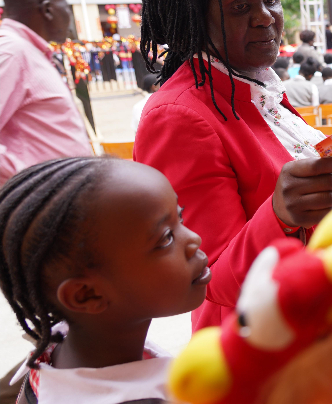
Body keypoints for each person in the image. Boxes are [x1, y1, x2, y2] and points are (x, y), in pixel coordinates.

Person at [134, 0, 332, 332]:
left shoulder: (254, 84)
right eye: (240, 7)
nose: (266, 18)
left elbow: (299, 165)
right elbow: (209, 276)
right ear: (191, 16)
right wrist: (280, 214)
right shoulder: (179, 115)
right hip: (261, 353)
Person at [0, 157, 211, 403]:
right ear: (87, 295)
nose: (194, 238)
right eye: (165, 238)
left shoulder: (59, 351)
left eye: (180, 217)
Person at [0, 0, 91, 186]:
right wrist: (30, 180)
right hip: (44, 201)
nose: (68, 15)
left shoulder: (27, 51)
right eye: (66, 6)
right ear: (48, 10)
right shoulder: (11, 52)